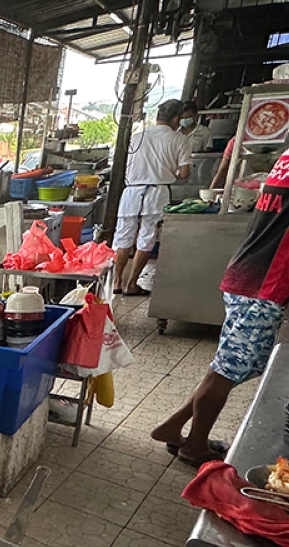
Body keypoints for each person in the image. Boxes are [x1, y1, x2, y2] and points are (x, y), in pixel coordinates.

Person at [152, 148, 289, 466]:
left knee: (234, 366)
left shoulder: (285, 158)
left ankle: (174, 426)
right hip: (262, 285)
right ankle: (195, 446)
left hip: (250, 274)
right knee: (228, 371)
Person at [112, 99, 192, 296]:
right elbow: (184, 173)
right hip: (157, 192)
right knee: (146, 238)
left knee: (123, 237)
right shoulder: (179, 139)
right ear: (175, 119)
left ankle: (116, 282)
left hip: (131, 191)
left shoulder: (136, 137)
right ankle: (132, 283)